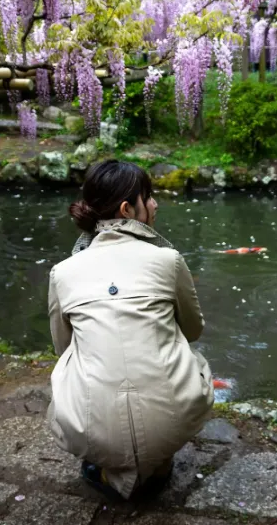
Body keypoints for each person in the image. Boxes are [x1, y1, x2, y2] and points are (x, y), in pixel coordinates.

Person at [46, 159, 214, 500]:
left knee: (73, 363)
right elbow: (193, 330)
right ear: (127, 209)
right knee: (188, 355)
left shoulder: (62, 272)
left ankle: (111, 470)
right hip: (171, 423)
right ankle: (156, 460)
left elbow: (62, 347)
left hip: (88, 429)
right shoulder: (168, 260)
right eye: (148, 196)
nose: (154, 204)